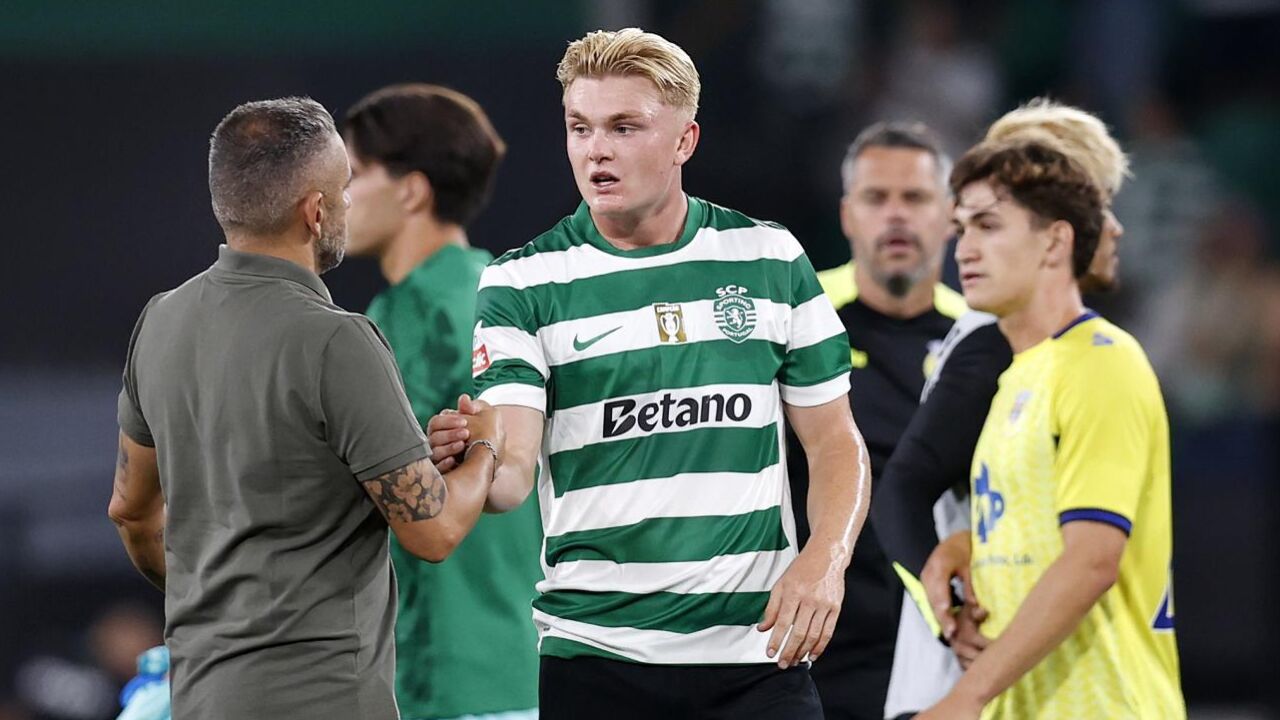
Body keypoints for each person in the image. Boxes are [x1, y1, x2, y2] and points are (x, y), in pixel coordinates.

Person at [427, 28, 871, 720]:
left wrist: (826, 558)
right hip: (599, 663)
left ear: (684, 141)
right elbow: (513, 472)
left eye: (624, 127)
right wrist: (475, 455)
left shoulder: (770, 259)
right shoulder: (522, 281)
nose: (596, 149)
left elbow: (835, 441)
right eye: (580, 127)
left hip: (757, 662)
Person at [108, 96, 502, 720]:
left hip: (201, 698)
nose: (347, 201)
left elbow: (131, 512)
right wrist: (484, 448)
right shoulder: (337, 341)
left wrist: (211, 596)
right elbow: (434, 531)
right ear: (316, 212)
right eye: (343, 187)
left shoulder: (158, 323)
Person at [873, 99, 1135, 717]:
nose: (1114, 227)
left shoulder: (1050, 347)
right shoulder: (997, 341)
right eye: (1101, 203)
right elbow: (904, 487)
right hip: (971, 672)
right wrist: (950, 611)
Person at [915, 139, 1184, 719]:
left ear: (1055, 241)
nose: (965, 249)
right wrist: (966, 546)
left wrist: (966, 696)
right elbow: (1042, 533)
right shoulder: (1021, 376)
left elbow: (1091, 562)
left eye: (988, 225)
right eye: (961, 228)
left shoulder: (1100, 361)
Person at [343, 83, 542, 720]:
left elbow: (391, 485)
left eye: (352, 175)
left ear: (411, 189)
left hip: (441, 672)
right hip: (524, 659)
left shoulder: (408, 313)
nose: (334, 197)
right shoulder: (508, 291)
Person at [784, 121, 964, 720]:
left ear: (949, 213)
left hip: (947, 644)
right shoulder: (797, 320)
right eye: (876, 198)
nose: (896, 216)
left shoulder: (982, 340)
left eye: (914, 198)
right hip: (815, 646)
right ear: (846, 214)